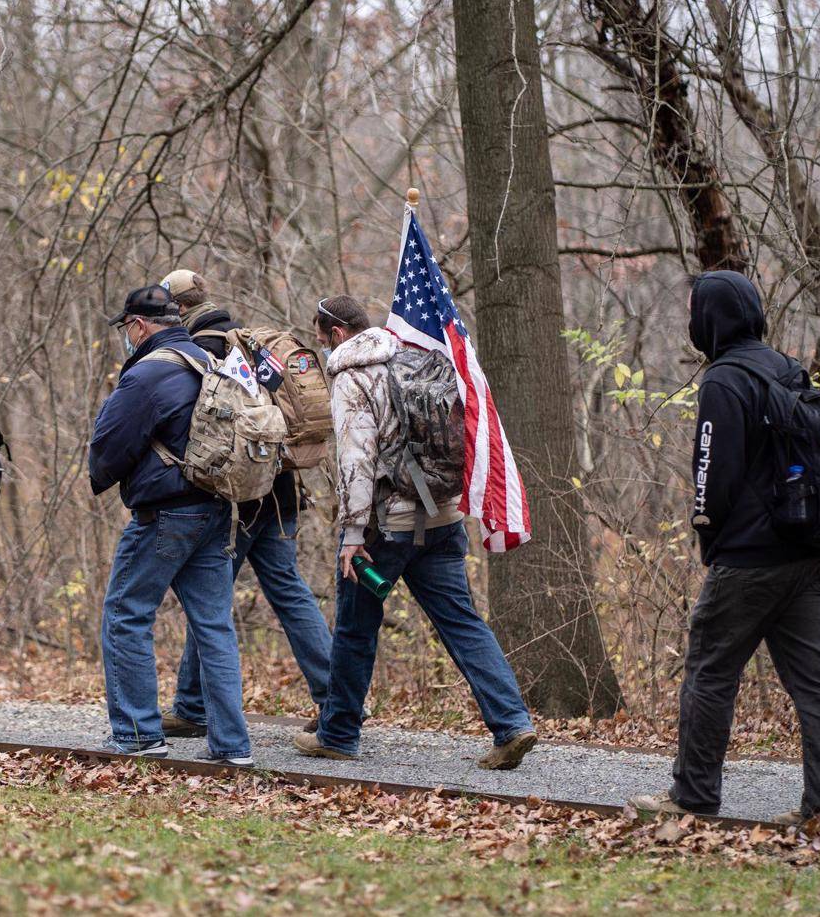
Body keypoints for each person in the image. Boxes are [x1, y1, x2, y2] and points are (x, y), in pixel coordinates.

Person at [629, 271, 820, 827]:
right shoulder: (785, 368)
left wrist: (710, 536)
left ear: (711, 318)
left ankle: (693, 798)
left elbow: (713, 476)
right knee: (818, 685)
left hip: (750, 559)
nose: (689, 320)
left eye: (694, 310)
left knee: (709, 671)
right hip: (807, 554)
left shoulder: (724, 381)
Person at [293, 294, 536, 767]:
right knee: (462, 622)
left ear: (339, 334)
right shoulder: (416, 356)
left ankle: (338, 734)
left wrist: (353, 535)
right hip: (443, 518)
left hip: (389, 525)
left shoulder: (352, 376)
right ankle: (511, 723)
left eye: (323, 339)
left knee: (355, 629)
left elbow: (356, 462)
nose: (323, 348)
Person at [156, 269, 332, 737]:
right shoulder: (248, 343)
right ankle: (337, 699)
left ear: (175, 308)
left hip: (239, 499)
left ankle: (192, 709)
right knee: (290, 594)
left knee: (208, 597)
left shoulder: (201, 352)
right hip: (282, 493)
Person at [88, 285, 253, 765]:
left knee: (126, 614)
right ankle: (231, 746)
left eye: (127, 328)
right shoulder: (211, 362)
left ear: (138, 326)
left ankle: (139, 735)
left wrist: (102, 476)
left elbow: (110, 445)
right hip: (217, 510)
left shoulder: (148, 374)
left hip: (165, 514)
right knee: (214, 625)